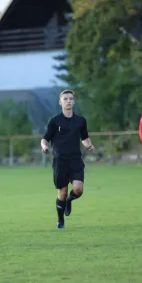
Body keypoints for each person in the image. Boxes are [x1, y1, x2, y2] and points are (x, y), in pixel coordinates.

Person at [41, 90, 95, 230]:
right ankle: (60, 221)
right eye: (65, 99)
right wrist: (44, 146)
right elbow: (45, 138)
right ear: (60, 102)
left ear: (74, 102)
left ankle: (70, 200)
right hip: (60, 161)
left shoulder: (80, 121)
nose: (68, 101)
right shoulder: (54, 121)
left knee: (78, 189)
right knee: (62, 192)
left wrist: (89, 144)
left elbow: (84, 138)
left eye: (71, 99)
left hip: (75, 160)